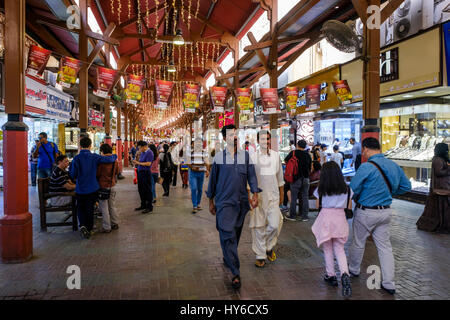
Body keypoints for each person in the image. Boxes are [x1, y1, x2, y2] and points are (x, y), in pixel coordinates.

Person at [348, 137, 411, 295]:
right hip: (385, 212)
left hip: (366, 212)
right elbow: (406, 186)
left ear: (367, 149)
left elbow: (353, 188)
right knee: (385, 248)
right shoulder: (393, 165)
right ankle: (389, 283)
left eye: (363, 150)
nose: (363, 153)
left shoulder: (366, 167)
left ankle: (354, 269)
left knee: (358, 242)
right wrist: (390, 193)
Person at [206, 124, 260, 289]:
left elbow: (251, 176)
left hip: (241, 203)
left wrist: (255, 195)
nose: (235, 138)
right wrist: (211, 201)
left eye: (236, 135)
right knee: (228, 234)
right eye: (231, 135)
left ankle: (228, 255)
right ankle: (235, 272)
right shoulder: (218, 158)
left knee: (233, 234)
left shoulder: (245, 157)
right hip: (224, 203)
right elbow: (212, 181)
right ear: (224, 139)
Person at [311, 161, 352, 298]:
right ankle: (345, 274)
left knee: (327, 249)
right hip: (340, 220)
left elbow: (318, 205)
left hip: (326, 220)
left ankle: (331, 275)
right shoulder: (347, 189)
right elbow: (349, 207)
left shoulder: (321, 189)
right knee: (340, 249)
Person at [69, 137, 117, 239]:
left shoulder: (76, 158)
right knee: (90, 208)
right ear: (90, 145)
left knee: (81, 208)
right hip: (92, 187)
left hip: (80, 187)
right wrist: (115, 155)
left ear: (80, 146)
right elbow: (108, 158)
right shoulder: (94, 157)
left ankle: (82, 225)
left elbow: (72, 174)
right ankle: (89, 228)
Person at [249, 130, 284, 268]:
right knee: (258, 227)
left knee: (274, 224)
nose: (266, 141)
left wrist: (281, 196)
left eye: (268, 139)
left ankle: (269, 247)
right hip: (258, 197)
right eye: (263, 139)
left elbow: (280, 178)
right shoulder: (252, 157)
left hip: (273, 197)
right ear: (258, 141)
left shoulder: (276, 156)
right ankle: (260, 255)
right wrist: (249, 197)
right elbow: (249, 179)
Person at [416, 143, 450, 233]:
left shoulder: (439, 159)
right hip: (441, 187)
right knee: (442, 207)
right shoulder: (438, 160)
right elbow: (439, 172)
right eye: (447, 150)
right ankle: (442, 225)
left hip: (442, 187)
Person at [284, 139, 312, 222]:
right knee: (305, 197)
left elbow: (286, 160)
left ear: (297, 145)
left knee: (294, 197)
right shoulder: (308, 155)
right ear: (305, 146)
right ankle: (305, 216)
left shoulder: (293, 153)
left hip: (295, 178)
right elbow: (310, 167)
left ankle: (292, 216)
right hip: (306, 178)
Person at [97, 143, 119, 233]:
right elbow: (117, 172)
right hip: (112, 185)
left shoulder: (101, 162)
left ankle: (106, 227)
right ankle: (115, 223)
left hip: (103, 186)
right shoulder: (115, 161)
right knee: (112, 206)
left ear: (102, 151)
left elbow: (97, 174)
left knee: (104, 207)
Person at [187, 138, 210, 213]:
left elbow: (206, 161)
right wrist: (192, 167)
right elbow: (188, 162)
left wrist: (207, 170)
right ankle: (194, 205)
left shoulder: (204, 152)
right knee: (194, 188)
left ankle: (198, 204)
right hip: (193, 173)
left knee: (200, 189)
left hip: (201, 172)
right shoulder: (190, 151)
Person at [133, 141, 154, 214]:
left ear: (144, 146)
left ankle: (149, 206)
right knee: (141, 189)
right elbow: (141, 161)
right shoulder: (142, 152)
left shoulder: (149, 152)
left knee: (147, 190)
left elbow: (148, 164)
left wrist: (138, 163)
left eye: (140, 148)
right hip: (140, 173)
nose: (139, 149)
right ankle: (143, 204)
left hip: (146, 173)